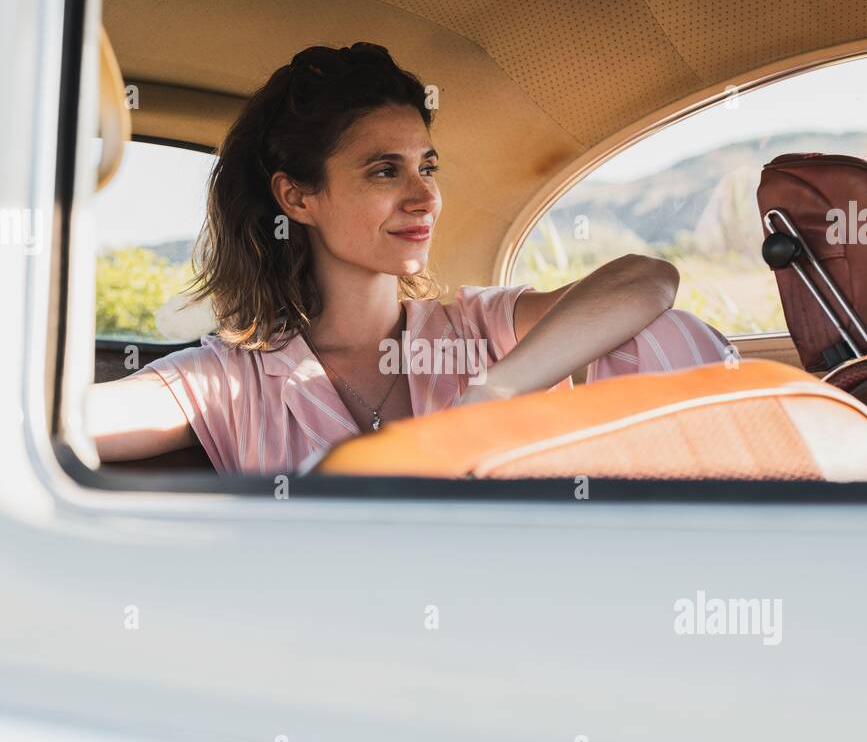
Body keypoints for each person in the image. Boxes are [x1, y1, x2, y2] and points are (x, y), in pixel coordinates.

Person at [85, 42, 734, 473]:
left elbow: (648, 279)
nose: (424, 196)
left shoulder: (478, 331)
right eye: (383, 171)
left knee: (666, 333)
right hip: (337, 654)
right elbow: (65, 425)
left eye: (427, 167)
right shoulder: (226, 380)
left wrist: (491, 393)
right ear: (299, 195)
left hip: (534, 629)